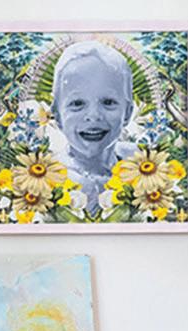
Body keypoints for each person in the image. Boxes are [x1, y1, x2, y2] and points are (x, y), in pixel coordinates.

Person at [51, 41, 137, 212]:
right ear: (57, 115)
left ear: (127, 113)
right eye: (77, 103)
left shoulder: (142, 170)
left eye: (108, 102)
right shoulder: (45, 178)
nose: (93, 115)